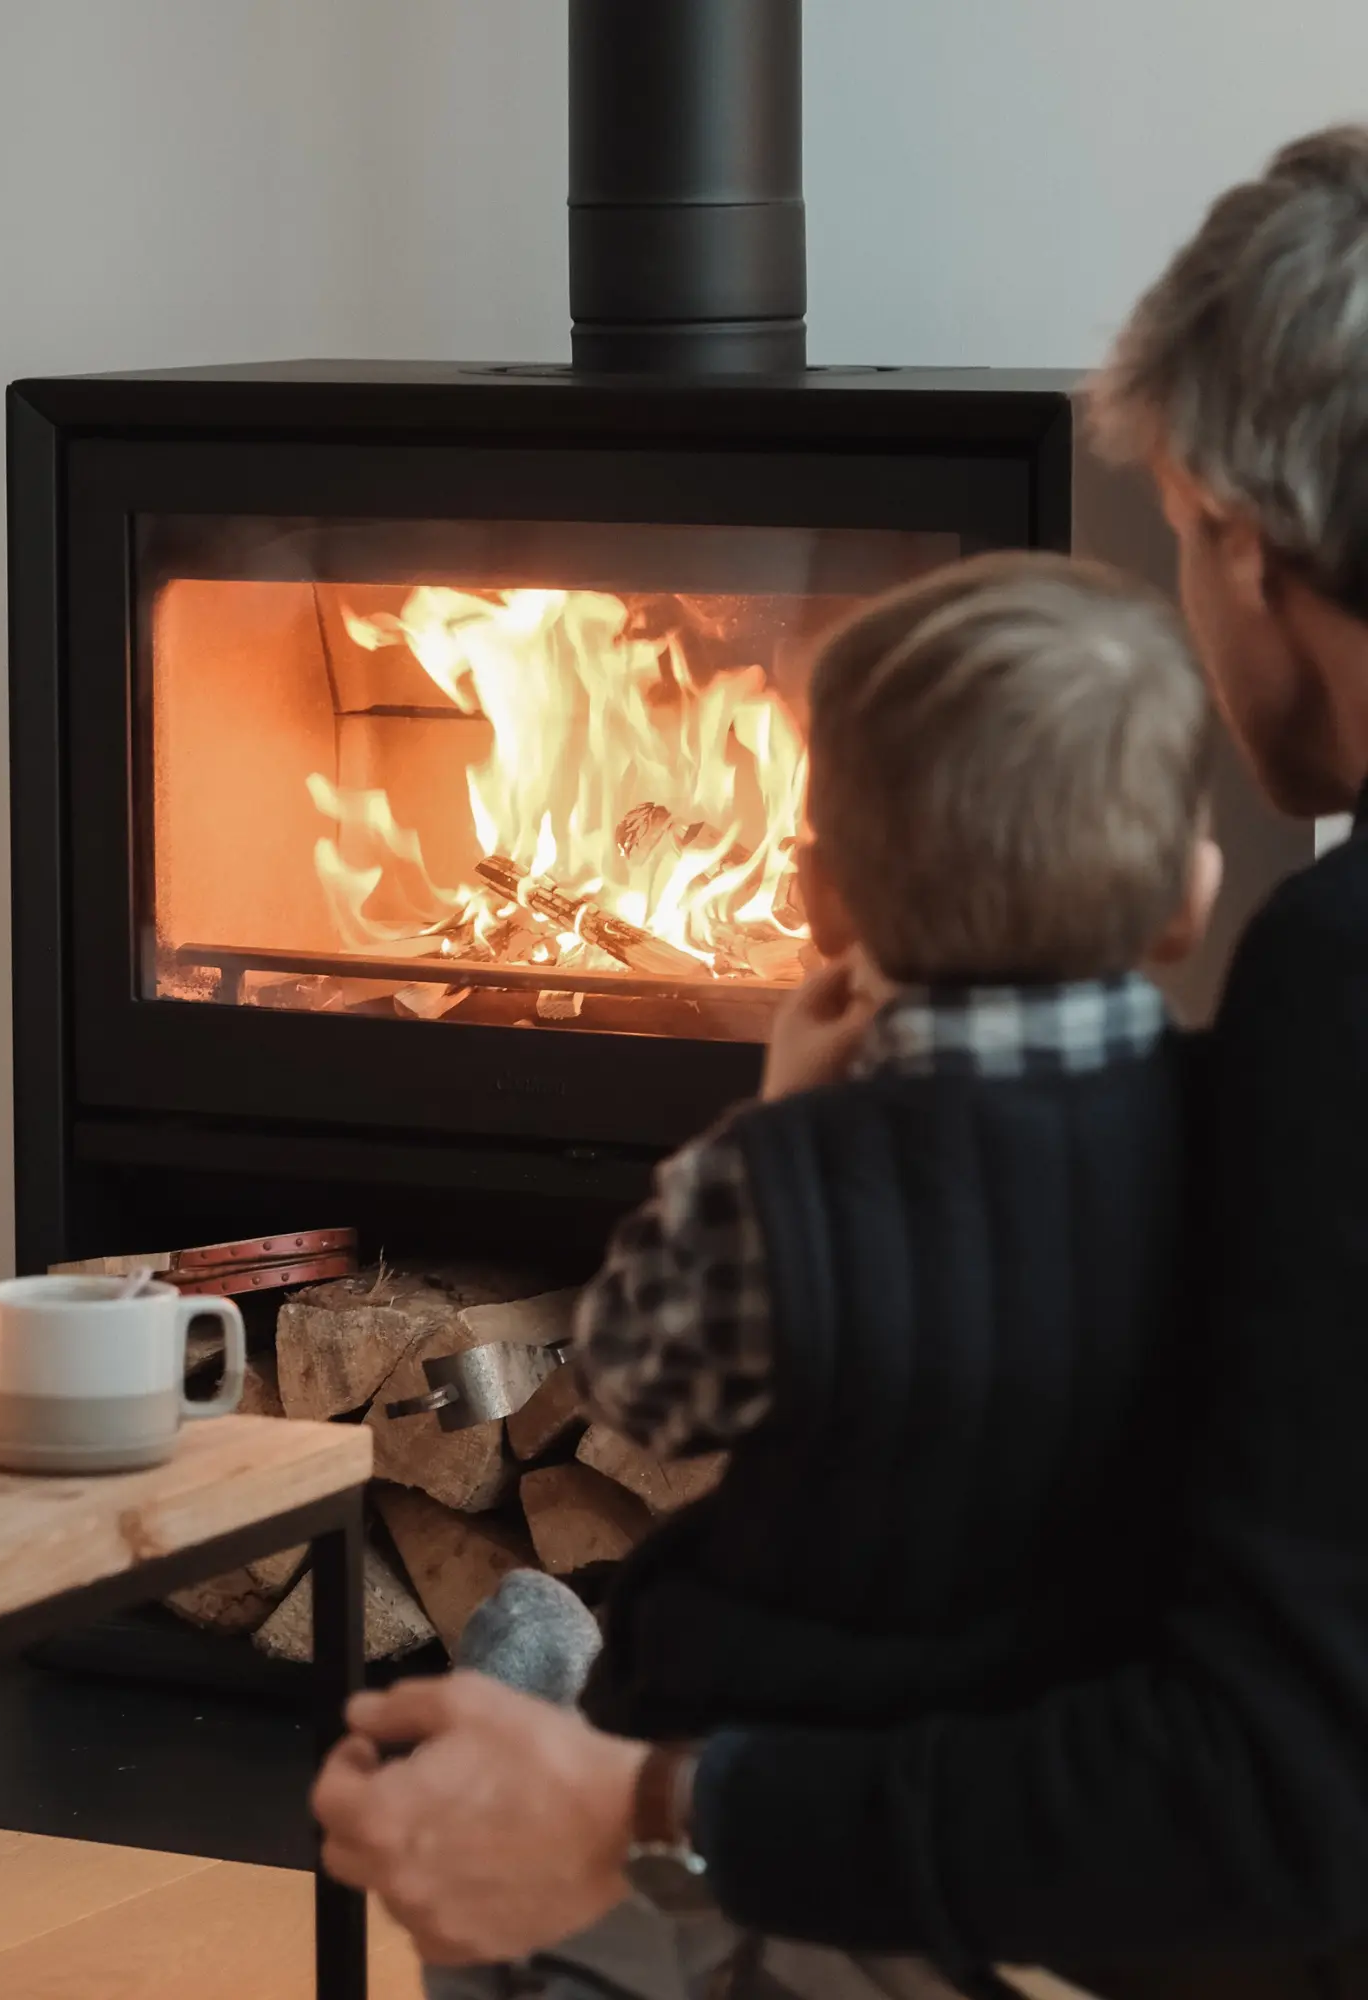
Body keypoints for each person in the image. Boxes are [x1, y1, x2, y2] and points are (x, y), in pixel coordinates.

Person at [312, 125, 1368, 2000]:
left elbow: (1275, 1799)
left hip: (862, 1788)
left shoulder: (1344, 989)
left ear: (1238, 532)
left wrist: (628, 1809)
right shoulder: (1219, 1059)